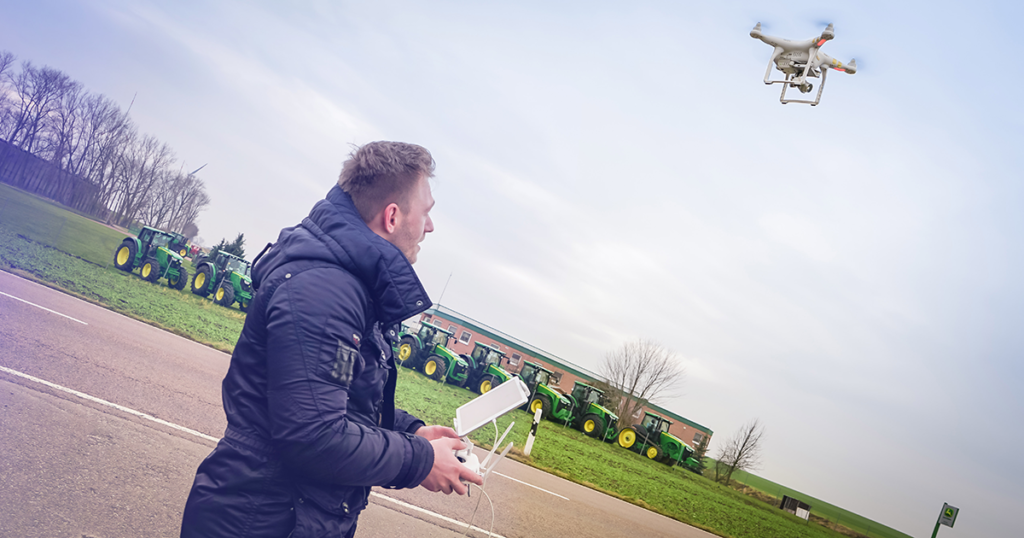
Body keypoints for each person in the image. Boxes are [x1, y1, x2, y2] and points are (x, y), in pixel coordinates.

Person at [180, 141, 483, 538]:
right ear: (392, 216)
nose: (430, 226)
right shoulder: (325, 289)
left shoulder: (348, 284)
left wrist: (410, 433)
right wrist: (421, 460)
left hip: (283, 514)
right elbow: (316, 436)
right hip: (259, 519)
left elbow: (339, 397)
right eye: (425, 212)